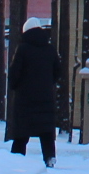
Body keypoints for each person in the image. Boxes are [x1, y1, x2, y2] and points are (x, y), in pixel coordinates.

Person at [7, 17, 63, 165]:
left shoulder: (23, 49)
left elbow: (14, 74)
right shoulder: (50, 49)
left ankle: (16, 159)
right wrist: (46, 84)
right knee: (46, 132)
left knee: (22, 132)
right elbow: (58, 71)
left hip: (25, 99)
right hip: (45, 98)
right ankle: (50, 157)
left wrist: (16, 86)